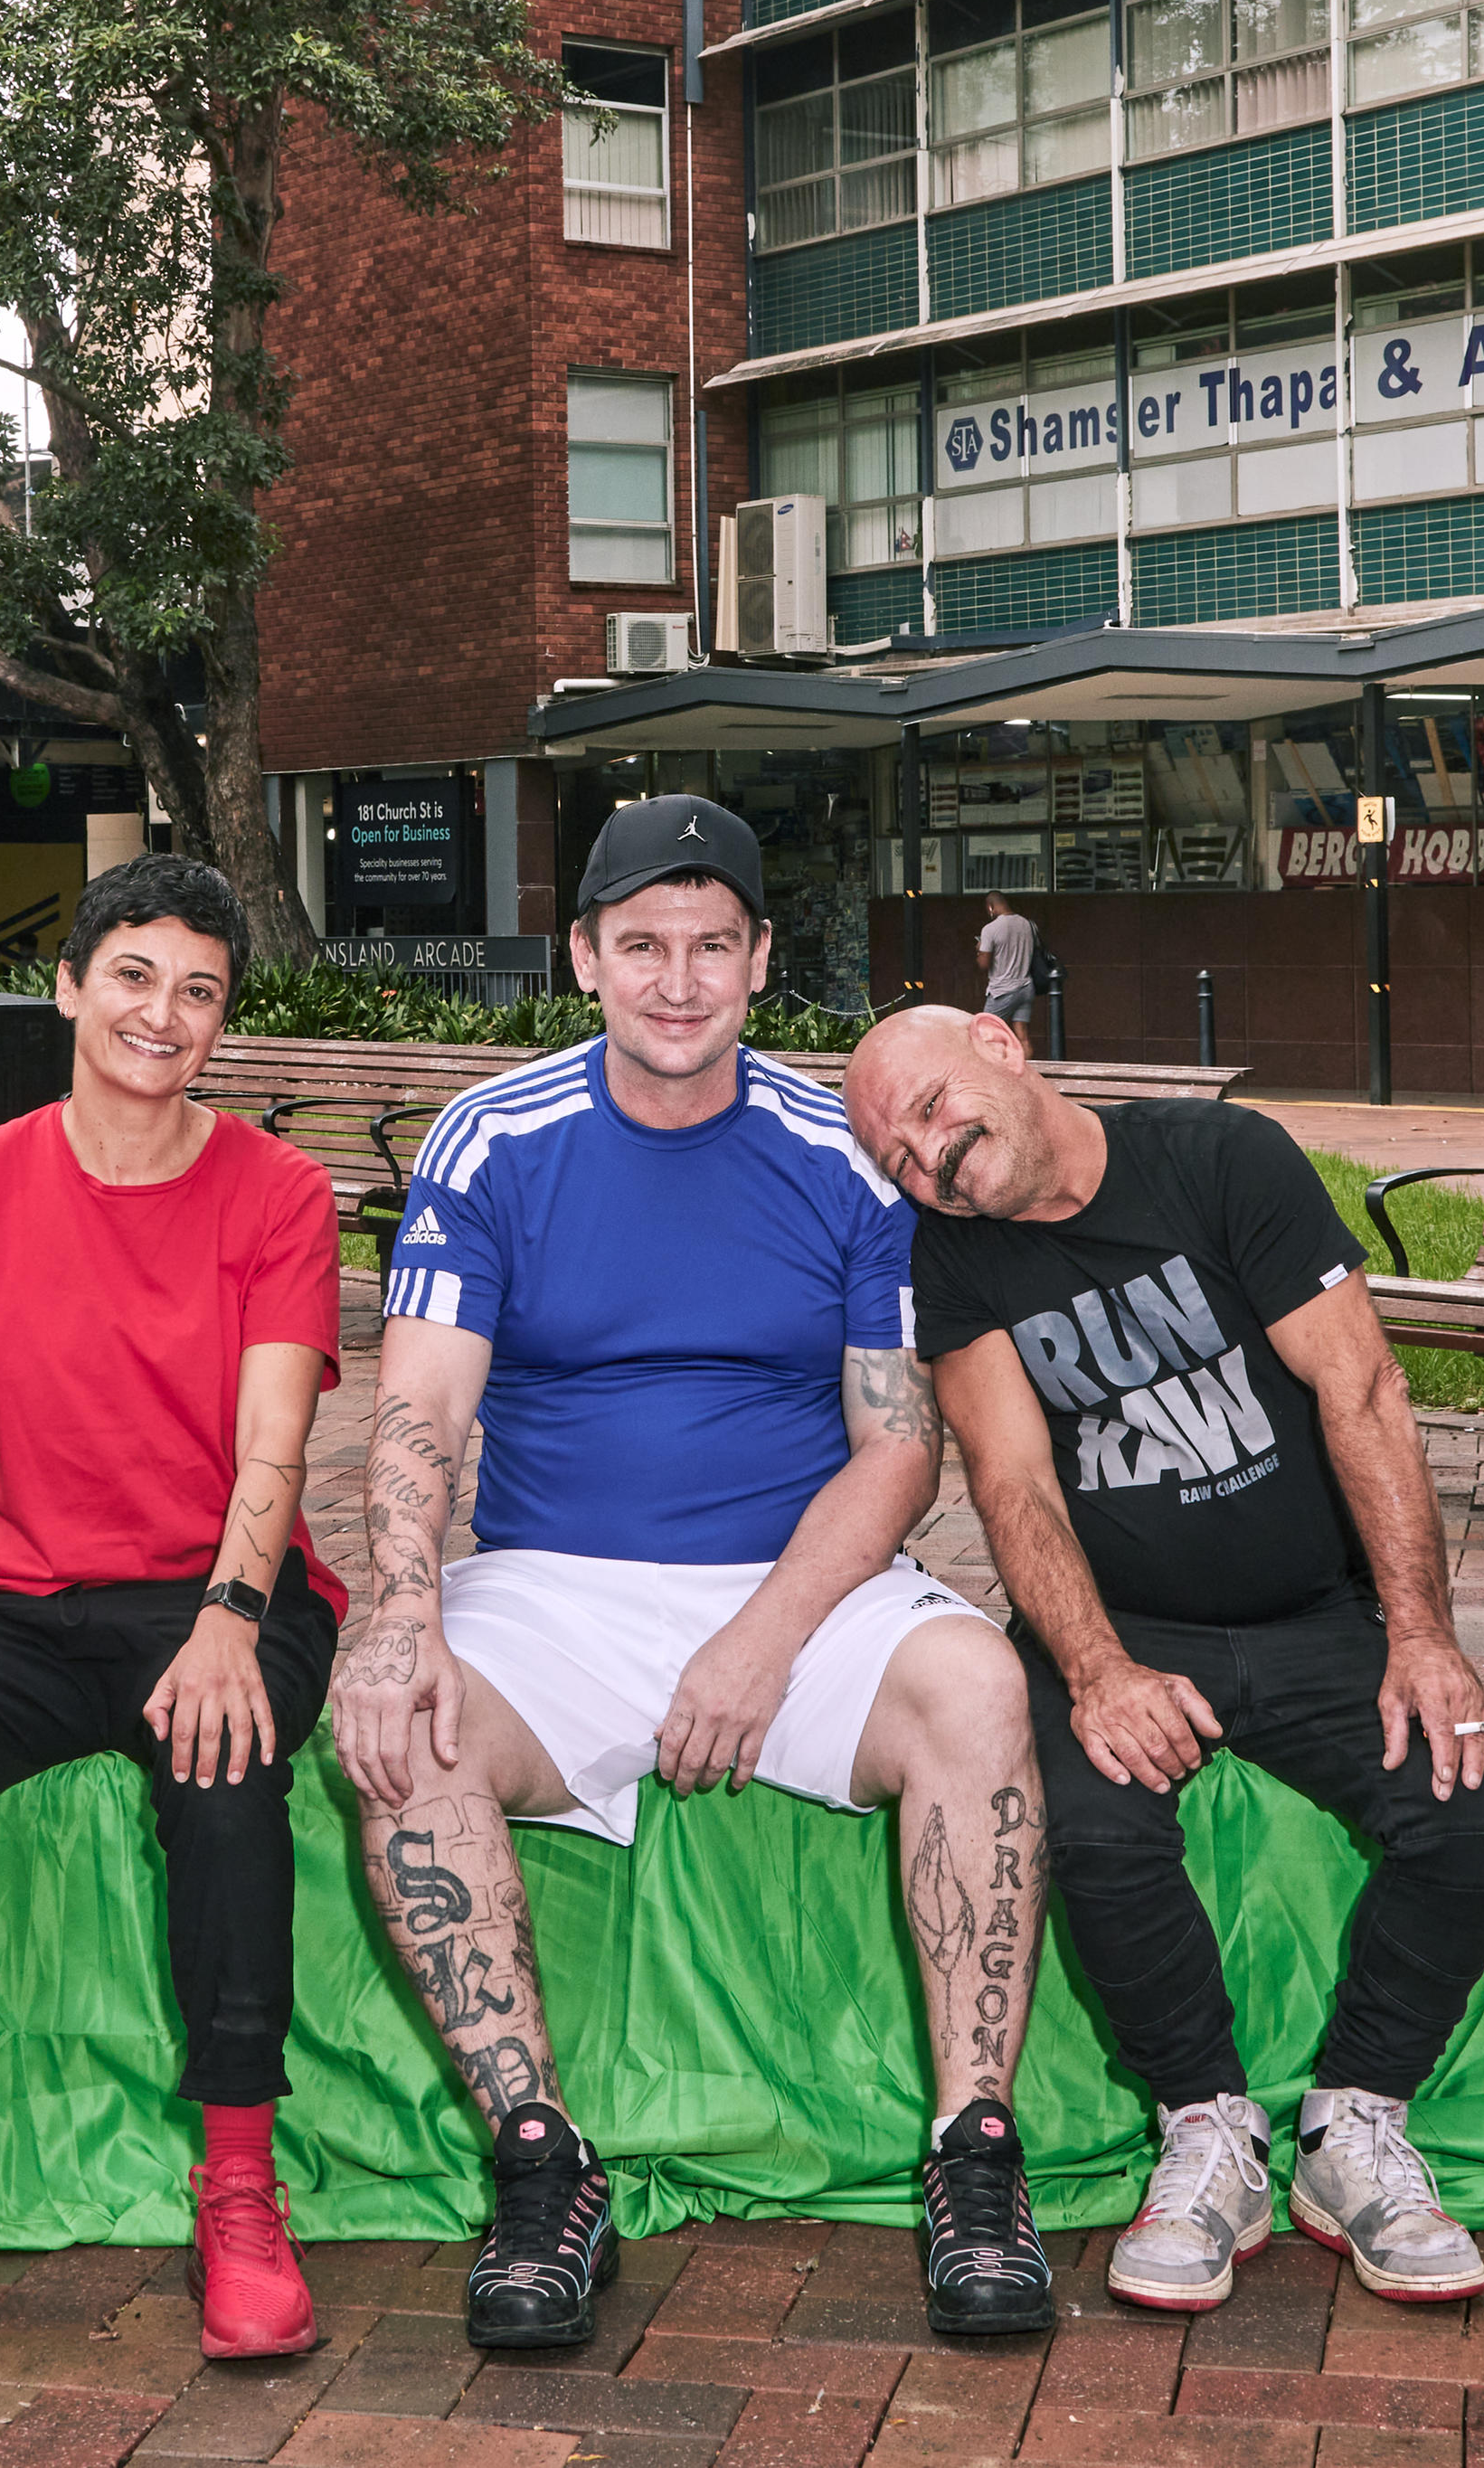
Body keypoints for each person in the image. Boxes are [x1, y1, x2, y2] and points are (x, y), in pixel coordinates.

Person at [341, 793, 1058, 2353]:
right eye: (644, 947)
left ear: (760, 960)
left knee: (979, 1686)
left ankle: (976, 2151)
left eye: (713, 948)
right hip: (550, 1583)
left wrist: (761, 1639)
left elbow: (894, 1449)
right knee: (410, 1732)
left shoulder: (841, 1161)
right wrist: (396, 1616)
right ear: (585, 955)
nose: (679, 981)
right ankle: (542, 2160)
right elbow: (422, 1406)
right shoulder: (495, 1138)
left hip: (796, 1585)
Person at [837, 1005, 1484, 2316]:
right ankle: (1206, 2126)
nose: (932, 1158)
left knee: (1469, 1806)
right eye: (901, 1156)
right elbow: (1013, 1474)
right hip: (1122, 1621)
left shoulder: (1224, 1160)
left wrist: (1421, 1634)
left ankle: (1351, 2126)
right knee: (1089, 1821)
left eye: (932, 1108)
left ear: (1001, 1042)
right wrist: (1095, 1669)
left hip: (1315, 1611)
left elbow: (1361, 1389)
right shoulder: (958, 1253)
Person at [0, 853, 349, 2369]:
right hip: (20, 1603)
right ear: (70, 985)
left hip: (216, 1591)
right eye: (134, 976)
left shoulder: (281, 1192)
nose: (163, 1015)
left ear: (222, 1023)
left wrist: (234, 1617)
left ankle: (238, 2187)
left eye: (199, 992)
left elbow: (276, 1443)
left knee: (224, 1763)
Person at [976, 894, 1039, 1036]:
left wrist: (980, 949)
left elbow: (983, 964)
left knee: (985, 1033)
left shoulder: (990, 929)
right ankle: (1023, 1059)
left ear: (990, 907)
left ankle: (993, 1059)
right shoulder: (1027, 924)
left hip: (1002, 990)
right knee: (1022, 1036)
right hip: (1026, 987)